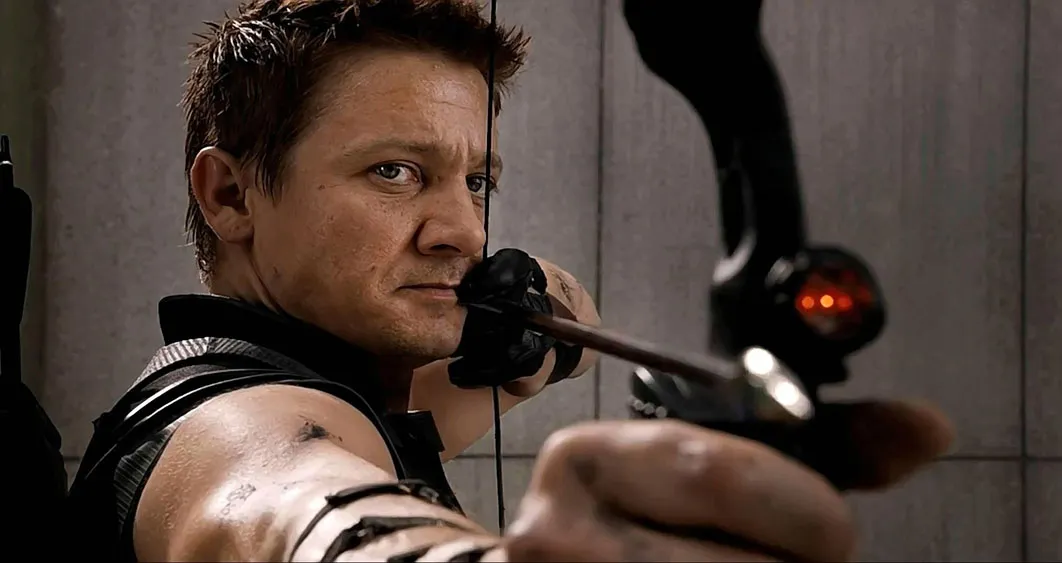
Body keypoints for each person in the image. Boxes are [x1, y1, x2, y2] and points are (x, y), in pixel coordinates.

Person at [66, 1, 954, 561]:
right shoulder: (236, 424)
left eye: (477, 181)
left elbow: (573, 319)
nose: (463, 230)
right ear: (230, 195)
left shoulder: (369, 389)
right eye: (394, 171)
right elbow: (298, 508)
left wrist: (529, 330)